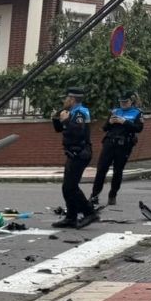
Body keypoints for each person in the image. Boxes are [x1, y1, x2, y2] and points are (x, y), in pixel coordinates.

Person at [90, 91, 145, 208]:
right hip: (109, 143)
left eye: (126, 102)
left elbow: (138, 129)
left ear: (131, 101)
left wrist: (124, 122)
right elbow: (105, 128)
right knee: (101, 169)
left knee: (117, 171)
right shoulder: (115, 111)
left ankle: (112, 194)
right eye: (121, 102)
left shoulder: (137, 113)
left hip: (124, 145)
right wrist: (110, 122)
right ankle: (94, 195)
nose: (123, 104)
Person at [51, 87, 96, 228]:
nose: (65, 100)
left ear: (72, 99)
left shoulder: (81, 112)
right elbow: (60, 130)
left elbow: (78, 132)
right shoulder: (71, 112)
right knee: (67, 187)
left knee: (71, 187)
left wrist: (65, 120)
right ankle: (71, 217)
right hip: (72, 153)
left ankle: (89, 212)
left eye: (67, 98)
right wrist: (56, 119)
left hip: (81, 153)